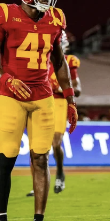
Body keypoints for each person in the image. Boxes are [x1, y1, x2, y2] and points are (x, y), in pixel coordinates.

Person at [0, 0, 77, 221]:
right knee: (7, 158)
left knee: (41, 158)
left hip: (43, 97)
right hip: (12, 97)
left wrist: (70, 99)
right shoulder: (5, 14)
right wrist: (6, 78)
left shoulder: (55, 18)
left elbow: (59, 61)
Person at [26, 31, 82, 196]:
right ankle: (37, 184)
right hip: (40, 103)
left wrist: (60, 89)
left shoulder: (69, 61)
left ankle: (60, 173)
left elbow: (78, 90)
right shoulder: (38, 61)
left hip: (58, 103)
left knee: (56, 142)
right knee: (35, 147)